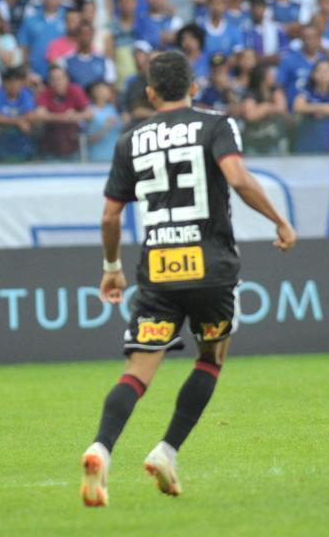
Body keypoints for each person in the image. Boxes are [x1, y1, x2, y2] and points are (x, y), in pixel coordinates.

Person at [81, 50, 296, 507]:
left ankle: (100, 446)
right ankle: (166, 450)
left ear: (151, 92)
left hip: (158, 267)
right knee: (212, 356)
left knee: (138, 370)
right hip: (212, 265)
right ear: (194, 87)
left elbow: (110, 216)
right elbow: (237, 177)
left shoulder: (130, 138)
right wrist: (279, 219)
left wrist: (112, 268)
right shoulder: (216, 125)